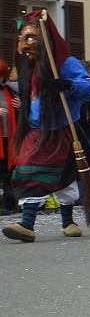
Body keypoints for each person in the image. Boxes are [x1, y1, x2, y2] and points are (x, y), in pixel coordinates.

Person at [2, 11, 90, 242]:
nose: (24, 45)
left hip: (62, 130)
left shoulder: (66, 63)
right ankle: (27, 224)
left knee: (60, 176)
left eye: (31, 38)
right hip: (35, 130)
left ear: (45, 39)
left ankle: (67, 221)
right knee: (29, 171)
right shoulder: (27, 65)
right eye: (21, 39)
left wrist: (68, 85)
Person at [1, 59, 19, 213]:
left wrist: (20, 105)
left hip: (9, 137)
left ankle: (8, 202)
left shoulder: (10, 90)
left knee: (8, 169)